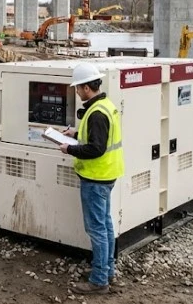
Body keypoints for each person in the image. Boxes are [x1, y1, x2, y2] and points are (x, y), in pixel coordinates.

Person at [59, 62, 124, 295]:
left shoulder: (96, 113)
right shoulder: (105, 105)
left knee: (96, 228)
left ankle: (99, 281)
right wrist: (75, 133)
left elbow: (96, 148)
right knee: (105, 225)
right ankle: (106, 271)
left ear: (87, 88)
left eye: (78, 88)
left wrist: (70, 149)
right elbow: (98, 137)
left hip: (96, 177)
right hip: (107, 175)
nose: (76, 92)